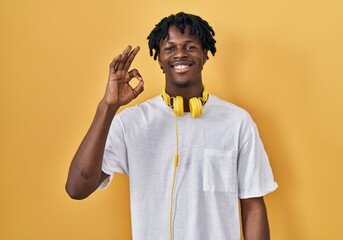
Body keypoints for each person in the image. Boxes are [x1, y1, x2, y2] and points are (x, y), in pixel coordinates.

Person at [66, 12, 278, 240]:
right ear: (159, 58)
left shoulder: (237, 122)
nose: (180, 54)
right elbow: (77, 188)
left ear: (205, 55)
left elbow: (253, 206)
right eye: (169, 48)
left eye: (189, 47)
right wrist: (107, 108)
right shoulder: (132, 122)